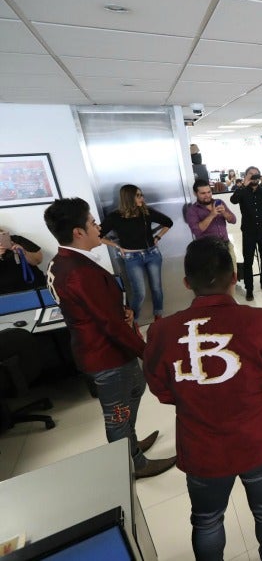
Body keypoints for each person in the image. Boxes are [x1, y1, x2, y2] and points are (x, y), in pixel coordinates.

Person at [143, 237, 262, 561]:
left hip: (202, 446)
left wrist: (196, 398)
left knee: (206, 519)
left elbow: (160, 389)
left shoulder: (161, 332)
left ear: (187, 283)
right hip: (258, 439)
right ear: (235, 277)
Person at [43, 197, 176, 478]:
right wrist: (147, 351)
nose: (98, 227)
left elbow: (96, 308)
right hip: (106, 354)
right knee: (117, 414)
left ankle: (129, 444)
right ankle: (132, 464)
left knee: (135, 389)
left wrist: (122, 310)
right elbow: (108, 325)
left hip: (104, 348)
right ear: (78, 232)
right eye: (92, 223)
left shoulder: (63, 262)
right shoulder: (78, 272)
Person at [100, 184, 173, 325]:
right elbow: (98, 235)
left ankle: (158, 318)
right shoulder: (115, 217)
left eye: (141, 195)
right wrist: (116, 245)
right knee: (139, 293)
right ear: (129, 198)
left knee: (157, 288)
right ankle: (134, 323)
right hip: (132, 258)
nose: (142, 198)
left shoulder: (145, 212)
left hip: (152, 254)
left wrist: (157, 238)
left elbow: (168, 222)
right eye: (138, 195)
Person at [230, 166, 262, 300]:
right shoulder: (242, 190)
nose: (254, 177)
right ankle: (249, 289)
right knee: (248, 260)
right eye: (251, 174)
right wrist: (243, 184)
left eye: (256, 174)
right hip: (249, 231)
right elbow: (233, 200)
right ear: (246, 175)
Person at [186, 181, 237, 262]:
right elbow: (197, 231)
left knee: (233, 272)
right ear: (195, 193)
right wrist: (212, 215)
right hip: (208, 250)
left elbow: (233, 220)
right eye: (203, 193)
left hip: (226, 245)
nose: (207, 195)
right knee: (214, 274)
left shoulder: (219, 202)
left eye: (209, 192)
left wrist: (224, 213)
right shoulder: (192, 210)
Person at [0, 228, 46, 293]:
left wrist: (24, 253)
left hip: (35, 287)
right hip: (6, 295)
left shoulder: (16, 240)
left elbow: (38, 260)